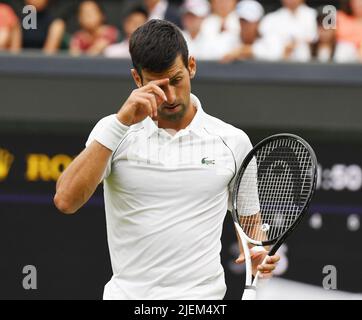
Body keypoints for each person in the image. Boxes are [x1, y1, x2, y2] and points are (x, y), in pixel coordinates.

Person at [54, 19, 280, 300]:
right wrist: (120, 123)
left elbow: (249, 225)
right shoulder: (113, 131)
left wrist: (256, 251)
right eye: (158, 85)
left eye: (176, 80)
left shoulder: (233, 141)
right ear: (137, 80)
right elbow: (66, 200)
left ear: (192, 67)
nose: (171, 96)